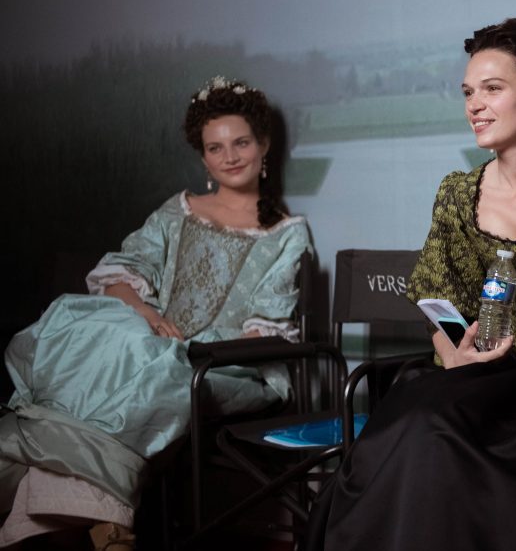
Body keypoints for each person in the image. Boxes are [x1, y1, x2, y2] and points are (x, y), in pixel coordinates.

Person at [303, 13, 516, 551]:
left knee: (436, 428)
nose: (474, 105)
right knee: (411, 422)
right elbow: (437, 295)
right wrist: (453, 351)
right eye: (467, 92)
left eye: (492, 88)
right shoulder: (460, 193)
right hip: (478, 370)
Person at [0, 76, 311, 550]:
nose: (229, 157)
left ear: (264, 145)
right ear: (203, 156)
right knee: (95, 331)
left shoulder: (287, 233)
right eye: (215, 147)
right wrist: (146, 313)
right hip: (149, 346)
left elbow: (264, 333)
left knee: (148, 368)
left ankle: (56, 520)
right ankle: (105, 525)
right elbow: (123, 273)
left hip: (231, 368)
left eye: (241, 142)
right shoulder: (179, 210)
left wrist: (182, 349)